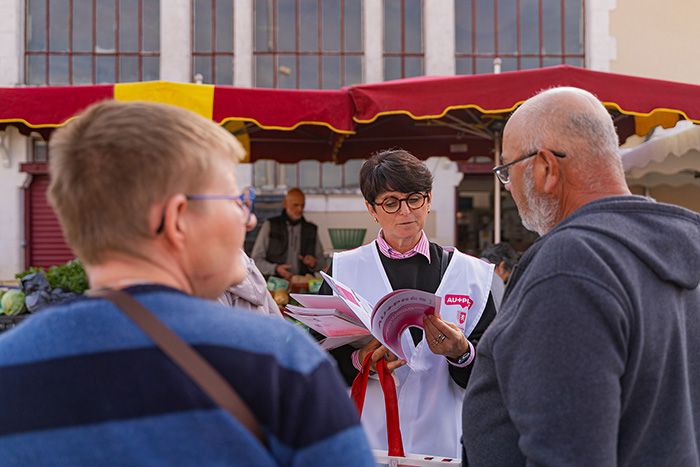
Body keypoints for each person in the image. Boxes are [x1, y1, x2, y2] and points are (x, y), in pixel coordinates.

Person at [0, 101, 374, 466]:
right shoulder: (280, 361)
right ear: (178, 218)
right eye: (237, 200)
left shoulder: (9, 367)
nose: (248, 221)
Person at [462, 87, 700, 466]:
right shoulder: (682, 245)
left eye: (507, 171)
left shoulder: (572, 264)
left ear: (545, 168)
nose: (507, 188)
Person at [321, 149, 497, 458]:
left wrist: (462, 354)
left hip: (445, 442)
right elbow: (316, 364)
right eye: (391, 202)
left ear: (428, 200)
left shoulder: (471, 275)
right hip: (367, 439)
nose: (405, 212)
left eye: (414, 198)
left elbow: (496, 372)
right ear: (371, 209)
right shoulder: (343, 272)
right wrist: (359, 361)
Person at [251, 187, 325, 280]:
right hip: (275, 286)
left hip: (303, 287)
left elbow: (322, 263)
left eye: (302, 205)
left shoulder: (311, 229)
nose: (299, 209)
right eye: (295, 205)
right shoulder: (270, 225)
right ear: (285, 204)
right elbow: (256, 260)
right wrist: (275, 268)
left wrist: (313, 263)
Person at [479, 242, 518, 310]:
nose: (504, 284)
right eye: (506, 279)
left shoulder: (469, 270)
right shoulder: (494, 280)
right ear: (501, 266)